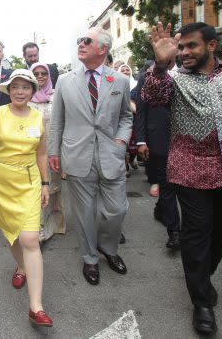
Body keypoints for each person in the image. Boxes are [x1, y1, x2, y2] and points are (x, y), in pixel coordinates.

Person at [143, 22, 222, 335]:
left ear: (211, 46)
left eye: (191, 46)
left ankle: (203, 277)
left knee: (221, 234)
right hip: (190, 168)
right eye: (180, 47)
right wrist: (160, 64)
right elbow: (152, 96)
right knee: (195, 234)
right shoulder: (173, 77)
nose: (184, 52)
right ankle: (201, 302)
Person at [48, 28, 132, 286]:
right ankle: (90, 258)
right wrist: (53, 150)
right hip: (76, 154)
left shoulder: (119, 81)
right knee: (84, 214)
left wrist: (121, 140)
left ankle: (108, 247)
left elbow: (126, 117)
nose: (80, 44)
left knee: (117, 209)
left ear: (103, 49)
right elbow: (58, 120)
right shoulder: (64, 80)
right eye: (79, 41)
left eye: (87, 41)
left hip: (111, 154)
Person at [0, 69, 53, 327]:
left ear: (32, 91)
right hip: (1, 181)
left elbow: (41, 154)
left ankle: (36, 307)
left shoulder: (38, 118)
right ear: (9, 90)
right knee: (11, 233)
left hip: (28, 182)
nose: (19, 91)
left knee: (30, 238)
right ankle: (21, 267)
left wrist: (46, 183)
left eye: (25, 87)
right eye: (15, 87)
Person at [134, 60, 179, 249]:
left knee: (175, 186)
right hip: (159, 138)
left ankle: (161, 209)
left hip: (188, 140)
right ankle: (175, 231)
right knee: (167, 184)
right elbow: (141, 110)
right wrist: (141, 140)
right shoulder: (149, 76)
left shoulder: (192, 73)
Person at [29, 62, 66, 241]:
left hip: (53, 151)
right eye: (36, 73)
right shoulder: (25, 97)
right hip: (33, 152)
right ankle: (39, 229)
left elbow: (63, 124)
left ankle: (55, 224)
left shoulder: (56, 96)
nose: (40, 76)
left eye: (43, 73)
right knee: (38, 189)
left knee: (53, 189)